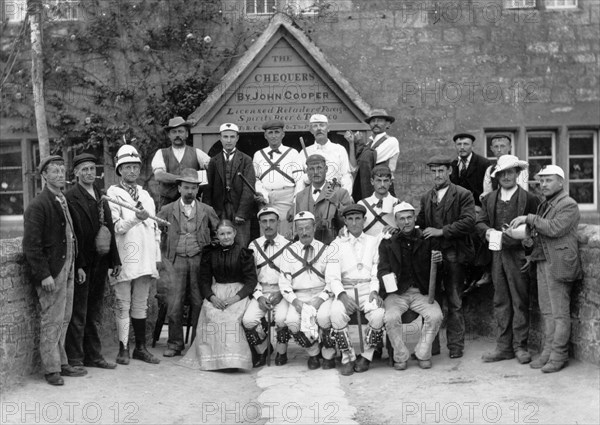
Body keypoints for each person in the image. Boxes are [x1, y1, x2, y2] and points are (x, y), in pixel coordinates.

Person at [510, 165, 583, 373]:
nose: (543, 184)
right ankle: (547, 352)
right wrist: (527, 241)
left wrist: (529, 218)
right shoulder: (546, 204)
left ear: (561, 182)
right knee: (547, 312)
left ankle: (559, 356)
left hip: (559, 263)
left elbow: (554, 228)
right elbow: (539, 234)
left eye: (548, 180)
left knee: (559, 313)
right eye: (541, 181)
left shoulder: (568, 204)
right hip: (543, 261)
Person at [23, 155, 86, 385]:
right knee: (52, 318)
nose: (60, 174)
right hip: (53, 271)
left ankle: (62, 362)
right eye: (55, 171)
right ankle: (51, 369)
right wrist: (44, 275)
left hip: (67, 267)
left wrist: (77, 265)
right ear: (44, 176)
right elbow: (31, 245)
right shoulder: (38, 205)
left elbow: (71, 235)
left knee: (65, 317)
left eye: (62, 170)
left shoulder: (62, 199)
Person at [476, 155, 540, 365]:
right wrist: (487, 232)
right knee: (501, 300)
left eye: (510, 172)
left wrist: (530, 254)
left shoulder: (529, 199)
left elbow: (537, 229)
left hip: (518, 256)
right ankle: (503, 347)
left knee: (520, 301)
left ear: (517, 174)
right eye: (502, 173)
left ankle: (520, 346)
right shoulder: (490, 199)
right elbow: (480, 222)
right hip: (497, 256)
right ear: (497, 176)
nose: (506, 177)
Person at [65, 153, 121, 370]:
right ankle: (75, 358)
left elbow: (110, 227)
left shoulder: (100, 194)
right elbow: (73, 234)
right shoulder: (71, 197)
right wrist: (78, 265)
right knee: (78, 312)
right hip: (83, 263)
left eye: (91, 169)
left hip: (100, 263)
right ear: (76, 173)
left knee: (94, 310)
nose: (89, 173)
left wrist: (114, 260)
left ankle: (93, 356)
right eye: (84, 170)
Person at [416, 155, 476, 359]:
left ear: (449, 171)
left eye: (441, 170)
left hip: (455, 255)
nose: (437, 175)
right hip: (433, 255)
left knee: (455, 301)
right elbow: (421, 224)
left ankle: (456, 346)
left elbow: (469, 222)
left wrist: (442, 231)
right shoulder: (426, 197)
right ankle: (431, 347)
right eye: (433, 171)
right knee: (431, 300)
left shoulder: (463, 194)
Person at [107, 145, 161, 366]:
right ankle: (123, 348)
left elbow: (155, 228)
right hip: (125, 255)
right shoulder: (113, 194)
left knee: (141, 304)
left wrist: (156, 257)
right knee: (123, 303)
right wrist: (136, 218)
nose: (132, 171)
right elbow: (117, 227)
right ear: (119, 170)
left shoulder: (146, 195)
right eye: (127, 167)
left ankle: (140, 347)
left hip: (146, 257)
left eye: (135, 167)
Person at [156, 168, 219, 357]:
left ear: (197, 190)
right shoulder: (167, 210)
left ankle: (197, 344)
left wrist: (211, 251)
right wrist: (162, 256)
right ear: (179, 188)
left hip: (199, 260)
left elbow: (219, 232)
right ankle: (175, 343)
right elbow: (154, 231)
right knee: (174, 303)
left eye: (193, 188)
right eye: (186, 187)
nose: (190, 191)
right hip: (175, 262)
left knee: (198, 301)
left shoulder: (207, 211)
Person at [178, 220, 257, 370]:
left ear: (234, 233)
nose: (226, 237)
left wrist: (235, 298)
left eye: (228, 233)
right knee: (212, 315)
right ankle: (213, 360)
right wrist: (212, 297)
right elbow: (204, 280)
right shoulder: (210, 253)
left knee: (231, 318)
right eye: (222, 234)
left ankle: (233, 361)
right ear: (217, 235)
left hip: (238, 294)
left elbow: (251, 281)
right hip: (217, 292)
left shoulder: (243, 253)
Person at [379, 202, 444, 370]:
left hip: (420, 292)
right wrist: (388, 279)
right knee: (390, 318)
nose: (406, 222)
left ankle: (422, 353)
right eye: (402, 219)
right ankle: (400, 355)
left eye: (409, 217)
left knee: (435, 315)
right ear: (396, 221)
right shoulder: (387, 243)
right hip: (396, 294)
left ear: (415, 218)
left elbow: (439, 269)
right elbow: (382, 269)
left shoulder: (428, 240)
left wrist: (438, 261)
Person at [327, 204, 385, 375]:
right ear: (345, 221)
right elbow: (332, 276)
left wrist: (375, 290)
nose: (354, 223)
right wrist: (342, 296)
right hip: (346, 288)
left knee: (378, 314)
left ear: (364, 220)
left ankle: (366, 356)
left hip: (367, 288)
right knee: (336, 313)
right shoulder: (336, 244)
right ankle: (348, 357)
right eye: (350, 219)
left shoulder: (374, 241)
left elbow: (376, 269)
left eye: (358, 218)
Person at [279, 212, 335, 370]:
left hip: (322, 293)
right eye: (300, 228)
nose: (304, 232)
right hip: (299, 295)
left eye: (308, 228)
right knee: (291, 321)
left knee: (324, 317)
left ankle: (328, 353)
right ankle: (313, 352)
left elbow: (332, 280)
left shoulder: (326, 250)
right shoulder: (288, 252)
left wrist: (322, 298)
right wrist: (294, 301)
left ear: (315, 227)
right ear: (295, 230)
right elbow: (284, 283)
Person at [242, 207, 293, 367]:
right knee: (248, 321)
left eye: (272, 221)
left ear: (278, 222)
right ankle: (264, 350)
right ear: (259, 224)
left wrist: (281, 293)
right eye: (264, 221)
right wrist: (259, 296)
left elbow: (292, 275)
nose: (268, 225)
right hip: (261, 291)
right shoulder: (253, 245)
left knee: (281, 319)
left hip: (282, 292)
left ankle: (281, 352)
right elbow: (250, 276)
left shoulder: (288, 245)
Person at [204, 123, 256, 247]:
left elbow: (248, 189)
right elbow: (208, 189)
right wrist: (211, 214)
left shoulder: (246, 160)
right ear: (220, 138)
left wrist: (241, 213)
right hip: (219, 210)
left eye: (232, 137)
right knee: (220, 242)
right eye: (225, 137)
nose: (229, 140)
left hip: (239, 208)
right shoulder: (213, 161)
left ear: (237, 138)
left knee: (241, 244)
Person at [253, 120, 303, 239]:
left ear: (283, 134)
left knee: (287, 236)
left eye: (277, 132)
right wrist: (263, 196)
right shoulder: (258, 155)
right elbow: (257, 180)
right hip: (267, 199)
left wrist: (294, 204)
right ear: (265, 135)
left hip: (287, 198)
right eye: (270, 132)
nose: (274, 135)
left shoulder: (292, 153)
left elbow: (300, 180)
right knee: (267, 233)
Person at [291, 154, 353, 244]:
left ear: (326, 169)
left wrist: (337, 203)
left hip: (333, 246)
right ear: (307, 171)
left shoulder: (341, 193)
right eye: (311, 169)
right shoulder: (300, 196)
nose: (316, 172)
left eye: (319, 168)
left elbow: (349, 223)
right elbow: (297, 227)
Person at [152, 116, 211, 209]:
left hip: (191, 203)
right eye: (174, 132)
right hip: (167, 203)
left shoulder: (197, 153)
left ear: (187, 134)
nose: (177, 135)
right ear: (169, 135)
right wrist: (183, 179)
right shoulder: (161, 153)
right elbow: (159, 175)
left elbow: (212, 168)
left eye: (181, 131)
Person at [299, 114, 353, 194]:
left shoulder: (339, 149)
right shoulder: (304, 152)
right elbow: (300, 179)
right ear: (311, 130)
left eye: (322, 125)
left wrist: (345, 196)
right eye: (315, 126)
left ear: (328, 128)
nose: (319, 128)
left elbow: (346, 175)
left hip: (335, 194)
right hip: (313, 195)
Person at [450, 133, 492, 208]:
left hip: (477, 208)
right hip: (457, 208)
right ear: (455, 146)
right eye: (459, 144)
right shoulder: (452, 165)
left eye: (466, 144)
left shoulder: (484, 163)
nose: (462, 147)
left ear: (472, 146)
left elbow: (489, 190)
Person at [481, 135, 529, 199]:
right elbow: (487, 192)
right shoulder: (490, 170)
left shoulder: (518, 167)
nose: (499, 150)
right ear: (491, 148)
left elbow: (522, 191)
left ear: (510, 147)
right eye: (496, 146)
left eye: (502, 146)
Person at [357, 165, 399, 238]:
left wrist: (397, 230)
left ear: (391, 182)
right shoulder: (362, 204)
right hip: (368, 246)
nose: (382, 184)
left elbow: (406, 230)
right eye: (378, 180)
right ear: (372, 181)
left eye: (385, 181)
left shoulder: (397, 203)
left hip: (390, 246)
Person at [365, 109, 400, 195]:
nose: (376, 123)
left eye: (379, 121)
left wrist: (359, 146)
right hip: (370, 185)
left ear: (387, 124)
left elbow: (369, 158)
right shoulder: (368, 143)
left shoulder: (391, 141)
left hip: (384, 185)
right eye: (373, 121)